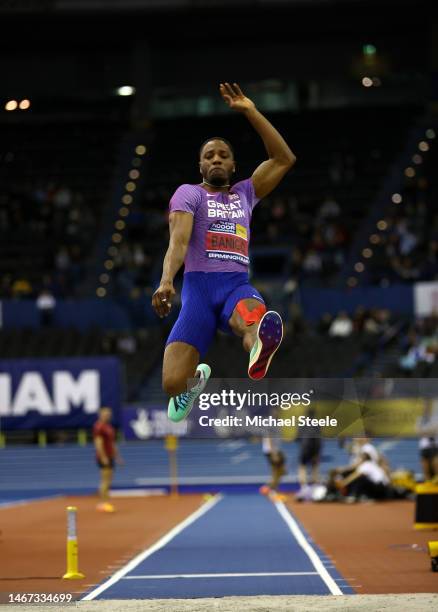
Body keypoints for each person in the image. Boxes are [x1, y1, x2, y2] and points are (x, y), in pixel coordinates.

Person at [152, 83, 296, 422]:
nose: (216, 158)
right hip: (199, 294)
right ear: (200, 166)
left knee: (251, 321)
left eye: (223, 155)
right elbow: (179, 241)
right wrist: (165, 281)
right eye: (208, 156)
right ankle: (193, 382)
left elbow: (284, 159)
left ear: (233, 166)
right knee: (172, 384)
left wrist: (250, 111)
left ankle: (258, 346)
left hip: (235, 286)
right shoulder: (190, 194)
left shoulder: (246, 193)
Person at [93, 406, 123, 513]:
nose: (108, 416)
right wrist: (103, 457)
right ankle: (102, 503)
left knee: (109, 480)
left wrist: (118, 457)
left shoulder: (109, 427)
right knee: (105, 480)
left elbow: (112, 443)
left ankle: (105, 502)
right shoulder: (99, 427)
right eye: (106, 414)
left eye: (109, 414)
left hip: (110, 456)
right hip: (104, 457)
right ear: (101, 415)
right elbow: (98, 443)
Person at [260, 436, 287, 500]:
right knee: (276, 472)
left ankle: (271, 490)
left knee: (281, 472)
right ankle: (270, 491)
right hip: (273, 451)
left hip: (275, 450)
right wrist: (273, 453)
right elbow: (269, 438)